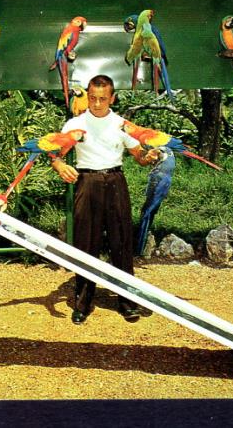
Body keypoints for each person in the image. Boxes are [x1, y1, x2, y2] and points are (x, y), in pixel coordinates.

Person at [51, 75, 159, 325]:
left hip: (116, 182)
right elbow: (55, 154)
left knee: (121, 242)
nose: (97, 103)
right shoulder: (74, 124)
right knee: (85, 244)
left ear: (112, 98)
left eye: (102, 98)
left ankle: (127, 303)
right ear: (87, 96)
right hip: (87, 183)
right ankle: (82, 304)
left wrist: (149, 155)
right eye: (92, 98)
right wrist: (59, 166)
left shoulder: (122, 124)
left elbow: (139, 155)